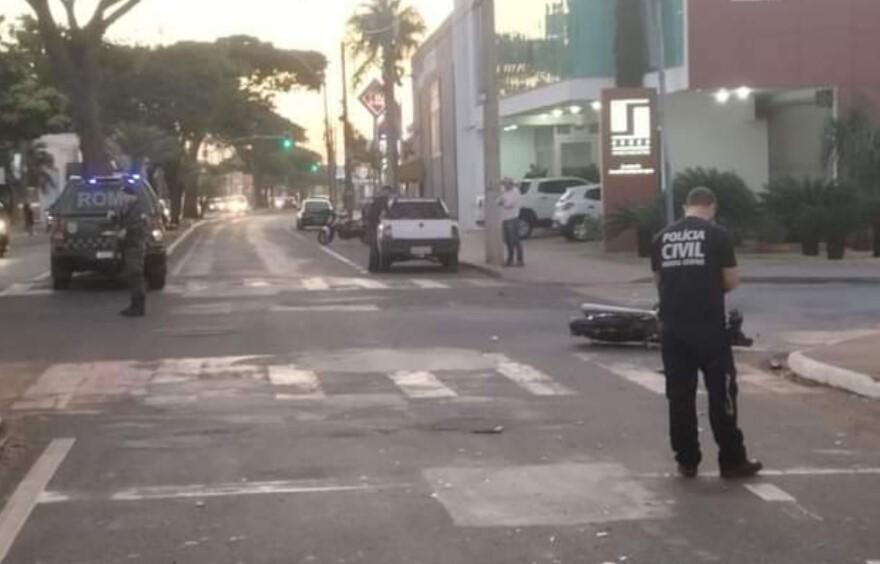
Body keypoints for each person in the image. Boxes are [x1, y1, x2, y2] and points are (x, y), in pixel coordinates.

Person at [651, 187, 762, 480]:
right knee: (721, 393)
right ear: (711, 206)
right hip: (709, 328)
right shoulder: (717, 235)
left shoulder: (661, 238)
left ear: (686, 206)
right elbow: (732, 280)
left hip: (673, 329)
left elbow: (659, 282)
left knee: (679, 396)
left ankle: (686, 460)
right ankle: (731, 460)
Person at [117, 180, 152, 317]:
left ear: (131, 196)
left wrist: (127, 230)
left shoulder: (138, 209)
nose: (121, 198)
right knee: (131, 276)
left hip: (135, 246)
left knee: (135, 275)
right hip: (129, 245)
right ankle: (133, 304)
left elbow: (140, 226)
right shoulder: (128, 209)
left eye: (123, 195)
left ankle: (139, 306)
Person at [365, 185, 395, 272]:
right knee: (375, 247)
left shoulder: (378, 200)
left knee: (375, 247)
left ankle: (374, 267)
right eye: (387, 192)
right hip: (376, 225)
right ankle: (374, 267)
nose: (388, 194)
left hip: (377, 225)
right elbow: (385, 213)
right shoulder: (381, 201)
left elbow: (369, 213)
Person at [498, 178, 523, 267]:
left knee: (515, 240)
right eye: (504, 184)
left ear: (511, 184)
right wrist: (501, 200)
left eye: (506, 184)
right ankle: (510, 259)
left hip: (513, 218)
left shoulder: (515, 192)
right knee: (507, 240)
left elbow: (509, 204)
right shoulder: (504, 192)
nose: (505, 186)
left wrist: (502, 201)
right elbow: (497, 201)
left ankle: (520, 260)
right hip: (504, 218)